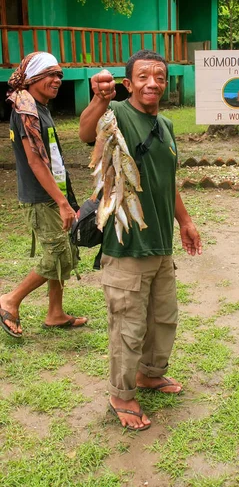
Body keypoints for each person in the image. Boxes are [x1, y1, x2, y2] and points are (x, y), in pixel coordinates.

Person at [79, 49, 202, 431]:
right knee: (128, 326)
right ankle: (121, 394)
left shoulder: (165, 124)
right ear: (129, 83)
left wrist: (185, 221)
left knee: (163, 318)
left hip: (160, 243)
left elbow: (168, 178)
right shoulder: (117, 117)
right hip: (126, 247)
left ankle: (150, 373)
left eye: (160, 77)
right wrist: (101, 98)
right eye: (144, 77)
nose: (153, 83)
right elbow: (87, 133)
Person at [0, 52, 87, 338]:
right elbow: (36, 161)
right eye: (51, 74)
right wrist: (62, 202)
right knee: (58, 255)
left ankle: (55, 313)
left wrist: (65, 196)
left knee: (66, 251)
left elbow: (52, 157)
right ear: (33, 77)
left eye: (60, 75)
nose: (57, 80)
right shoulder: (25, 110)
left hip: (53, 192)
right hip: (41, 198)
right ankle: (10, 300)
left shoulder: (40, 107)